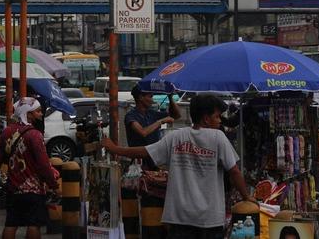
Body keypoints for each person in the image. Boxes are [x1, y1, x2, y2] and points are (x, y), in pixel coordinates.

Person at [103, 94, 255, 239]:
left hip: (179, 218)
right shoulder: (218, 137)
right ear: (206, 119)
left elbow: (145, 152)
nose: (220, 121)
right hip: (209, 219)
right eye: (217, 116)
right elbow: (234, 171)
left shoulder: (176, 137)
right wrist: (246, 197)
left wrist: (115, 149)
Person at [0, 97, 59, 239]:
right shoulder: (35, 135)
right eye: (38, 111)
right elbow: (43, 164)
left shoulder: (6, 132)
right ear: (28, 114)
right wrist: (53, 184)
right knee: (34, 225)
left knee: (11, 223)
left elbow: (1, 157)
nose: (41, 114)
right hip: (33, 189)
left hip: (13, 187)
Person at [124, 85, 180, 169]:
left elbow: (176, 115)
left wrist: (170, 98)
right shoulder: (131, 116)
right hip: (139, 162)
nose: (152, 100)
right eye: (150, 97)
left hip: (154, 159)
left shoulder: (151, 113)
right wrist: (161, 121)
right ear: (141, 97)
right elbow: (143, 132)